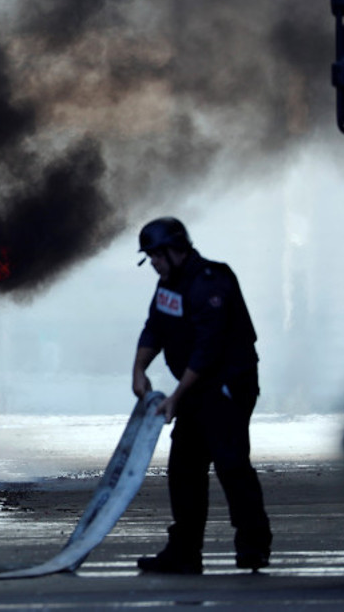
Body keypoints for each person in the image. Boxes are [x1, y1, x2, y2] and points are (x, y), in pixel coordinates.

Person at [130, 216, 272, 575]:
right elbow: (154, 328)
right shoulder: (168, 285)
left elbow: (208, 349)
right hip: (195, 391)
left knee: (231, 464)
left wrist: (176, 395)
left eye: (157, 256)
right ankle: (184, 552)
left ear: (175, 250)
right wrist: (139, 369)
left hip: (227, 386)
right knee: (184, 469)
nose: (154, 265)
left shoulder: (211, 281)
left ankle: (253, 546)